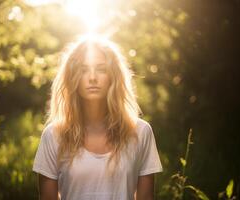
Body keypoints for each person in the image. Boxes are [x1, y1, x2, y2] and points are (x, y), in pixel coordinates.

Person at [32, 35, 163, 200]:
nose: (92, 77)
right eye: (83, 70)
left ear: (113, 76)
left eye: (101, 69)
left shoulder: (141, 132)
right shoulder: (53, 135)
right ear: (73, 77)